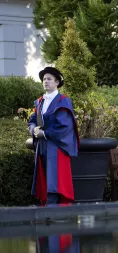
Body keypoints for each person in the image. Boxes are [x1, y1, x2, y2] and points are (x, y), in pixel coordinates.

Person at [27, 67, 79, 205]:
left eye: (49, 79)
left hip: (57, 148)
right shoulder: (40, 102)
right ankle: (48, 214)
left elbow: (65, 126)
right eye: (44, 79)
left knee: (55, 183)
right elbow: (32, 121)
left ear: (57, 82)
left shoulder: (63, 101)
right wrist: (34, 130)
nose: (46, 81)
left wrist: (45, 133)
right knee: (44, 179)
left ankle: (54, 215)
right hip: (42, 147)